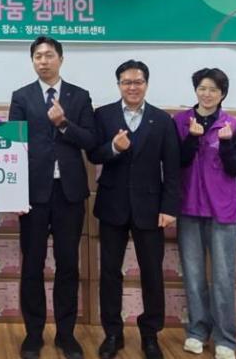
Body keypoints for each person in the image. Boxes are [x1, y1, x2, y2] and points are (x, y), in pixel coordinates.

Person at [8, 36, 96, 359]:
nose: (43, 61)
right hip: (33, 194)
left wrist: (63, 124)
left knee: (68, 264)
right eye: (38, 56)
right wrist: (16, 193)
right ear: (32, 61)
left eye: (48, 55)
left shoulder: (79, 96)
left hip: (69, 193)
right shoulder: (22, 97)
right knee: (32, 264)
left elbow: (91, 140)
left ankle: (65, 334)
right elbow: (14, 147)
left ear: (61, 58)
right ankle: (33, 334)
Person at [88, 60, 180, 359]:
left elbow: (172, 168)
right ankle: (113, 333)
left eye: (138, 82)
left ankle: (150, 334)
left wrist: (169, 207)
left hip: (150, 208)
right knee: (110, 272)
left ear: (146, 84)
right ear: (118, 85)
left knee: (152, 273)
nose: (132, 87)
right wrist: (114, 148)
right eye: (126, 82)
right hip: (112, 206)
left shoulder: (162, 120)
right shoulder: (103, 115)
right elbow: (93, 154)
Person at [173, 68, 236, 359]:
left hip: (223, 211)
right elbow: (175, 162)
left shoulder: (233, 125)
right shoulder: (180, 122)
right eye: (202, 88)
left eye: (214, 89)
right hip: (189, 208)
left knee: (223, 277)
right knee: (193, 276)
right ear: (195, 90)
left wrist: (226, 144)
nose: (207, 94)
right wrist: (192, 139)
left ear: (222, 94)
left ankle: (225, 337)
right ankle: (197, 331)